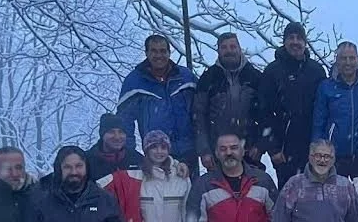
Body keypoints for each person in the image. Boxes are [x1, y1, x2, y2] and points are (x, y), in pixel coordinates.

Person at [258, 22, 327, 190]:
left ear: (305, 42)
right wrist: (273, 148)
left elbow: (324, 108)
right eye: (291, 38)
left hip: (311, 146)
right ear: (285, 41)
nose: (295, 42)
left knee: (316, 194)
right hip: (284, 149)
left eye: (299, 38)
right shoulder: (273, 71)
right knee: (289, 195)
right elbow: (263, 111)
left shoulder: (316, 70)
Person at [117, 34, 198, 169]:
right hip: (155, 153)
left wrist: (202, 145)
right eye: (154, 51)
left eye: (163, 51)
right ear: (146, 53)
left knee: (190, 189)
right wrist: (129, 154)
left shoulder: (185, 77)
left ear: (169, 52)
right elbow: (124, 121)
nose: (159, 55)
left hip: (188, 152)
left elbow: (201, 110)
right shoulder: (134, 82)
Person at [193, 32, 263, 173]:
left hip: (249, 150)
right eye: (224, 47)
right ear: (218, 51)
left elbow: (265, 113)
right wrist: (204, 150)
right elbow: (198, 116)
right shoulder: (208, 78)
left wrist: (260, 145)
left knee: (252, 192)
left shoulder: (255, 77)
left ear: (239, 48)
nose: (229, 50)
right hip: (218, 152)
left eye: (232, 46)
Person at [311, 41, 358, 181]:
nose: (348, 62)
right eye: (343, 58)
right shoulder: (326, 87)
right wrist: (316, 151)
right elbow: (319, 122)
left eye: (352, 58)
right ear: (337, 61)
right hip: (335, 157)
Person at [86, 113, 144, 184]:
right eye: (111, 132)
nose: (117, 137)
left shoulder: (137, 159)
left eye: (121, 132)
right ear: (102, 135)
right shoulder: (87, 161)